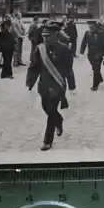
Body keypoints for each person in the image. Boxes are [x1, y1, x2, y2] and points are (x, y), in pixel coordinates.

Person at [26, 23, 74, 151]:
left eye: (48, 36)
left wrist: (72, 86)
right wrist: (29, 83)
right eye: (44, 36)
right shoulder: (40, 48)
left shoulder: (64, 49)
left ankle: (47, 141)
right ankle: (59, 121)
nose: (45, 39)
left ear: (56, 35)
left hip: (57, 85)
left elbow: (69, 69)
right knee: (47, 108)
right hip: (43, 85)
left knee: (51, 111)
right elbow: (34, 67)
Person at [80, 21, 104, 91]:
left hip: (98, 54)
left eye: (92, 27)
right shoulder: (87, 33)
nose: (91, 28)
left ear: (96, 26)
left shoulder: (102, 33)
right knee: (95, 68)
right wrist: (81, 52)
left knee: (96, 69)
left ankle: (95, 85)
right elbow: (84, 43)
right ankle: (99, 77)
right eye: (90, 27)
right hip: (90, 54)